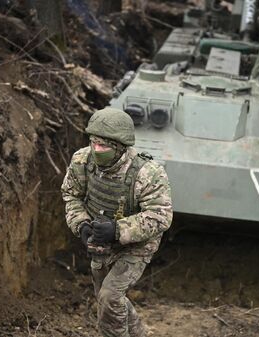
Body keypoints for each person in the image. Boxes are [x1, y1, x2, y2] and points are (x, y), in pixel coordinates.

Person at [61, 107, 173, 337]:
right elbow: (71, 195)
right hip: (100, 241)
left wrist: (117, 229)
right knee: (107, 297)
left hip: (138, 243)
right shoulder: (82, 161)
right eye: (94, 143)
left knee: (110, 296)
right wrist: (81, 224)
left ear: (121, 146)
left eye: (104, 146)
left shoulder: (147, 173)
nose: (96, 150)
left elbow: (161, 216)